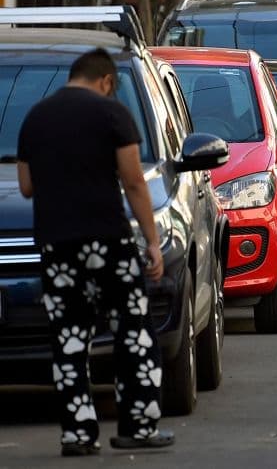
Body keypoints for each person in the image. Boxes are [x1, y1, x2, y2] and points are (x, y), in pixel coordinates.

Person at [16, 48, 174, 455]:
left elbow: (27, 187)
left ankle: (77, 433)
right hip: (108, 241)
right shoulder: (112, 114)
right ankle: (137, 425)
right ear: (106, 81)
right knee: (132, 330)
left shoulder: (34, 119)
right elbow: (135, 182)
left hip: (57, 245)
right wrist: (152, 242)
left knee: (69, 337)